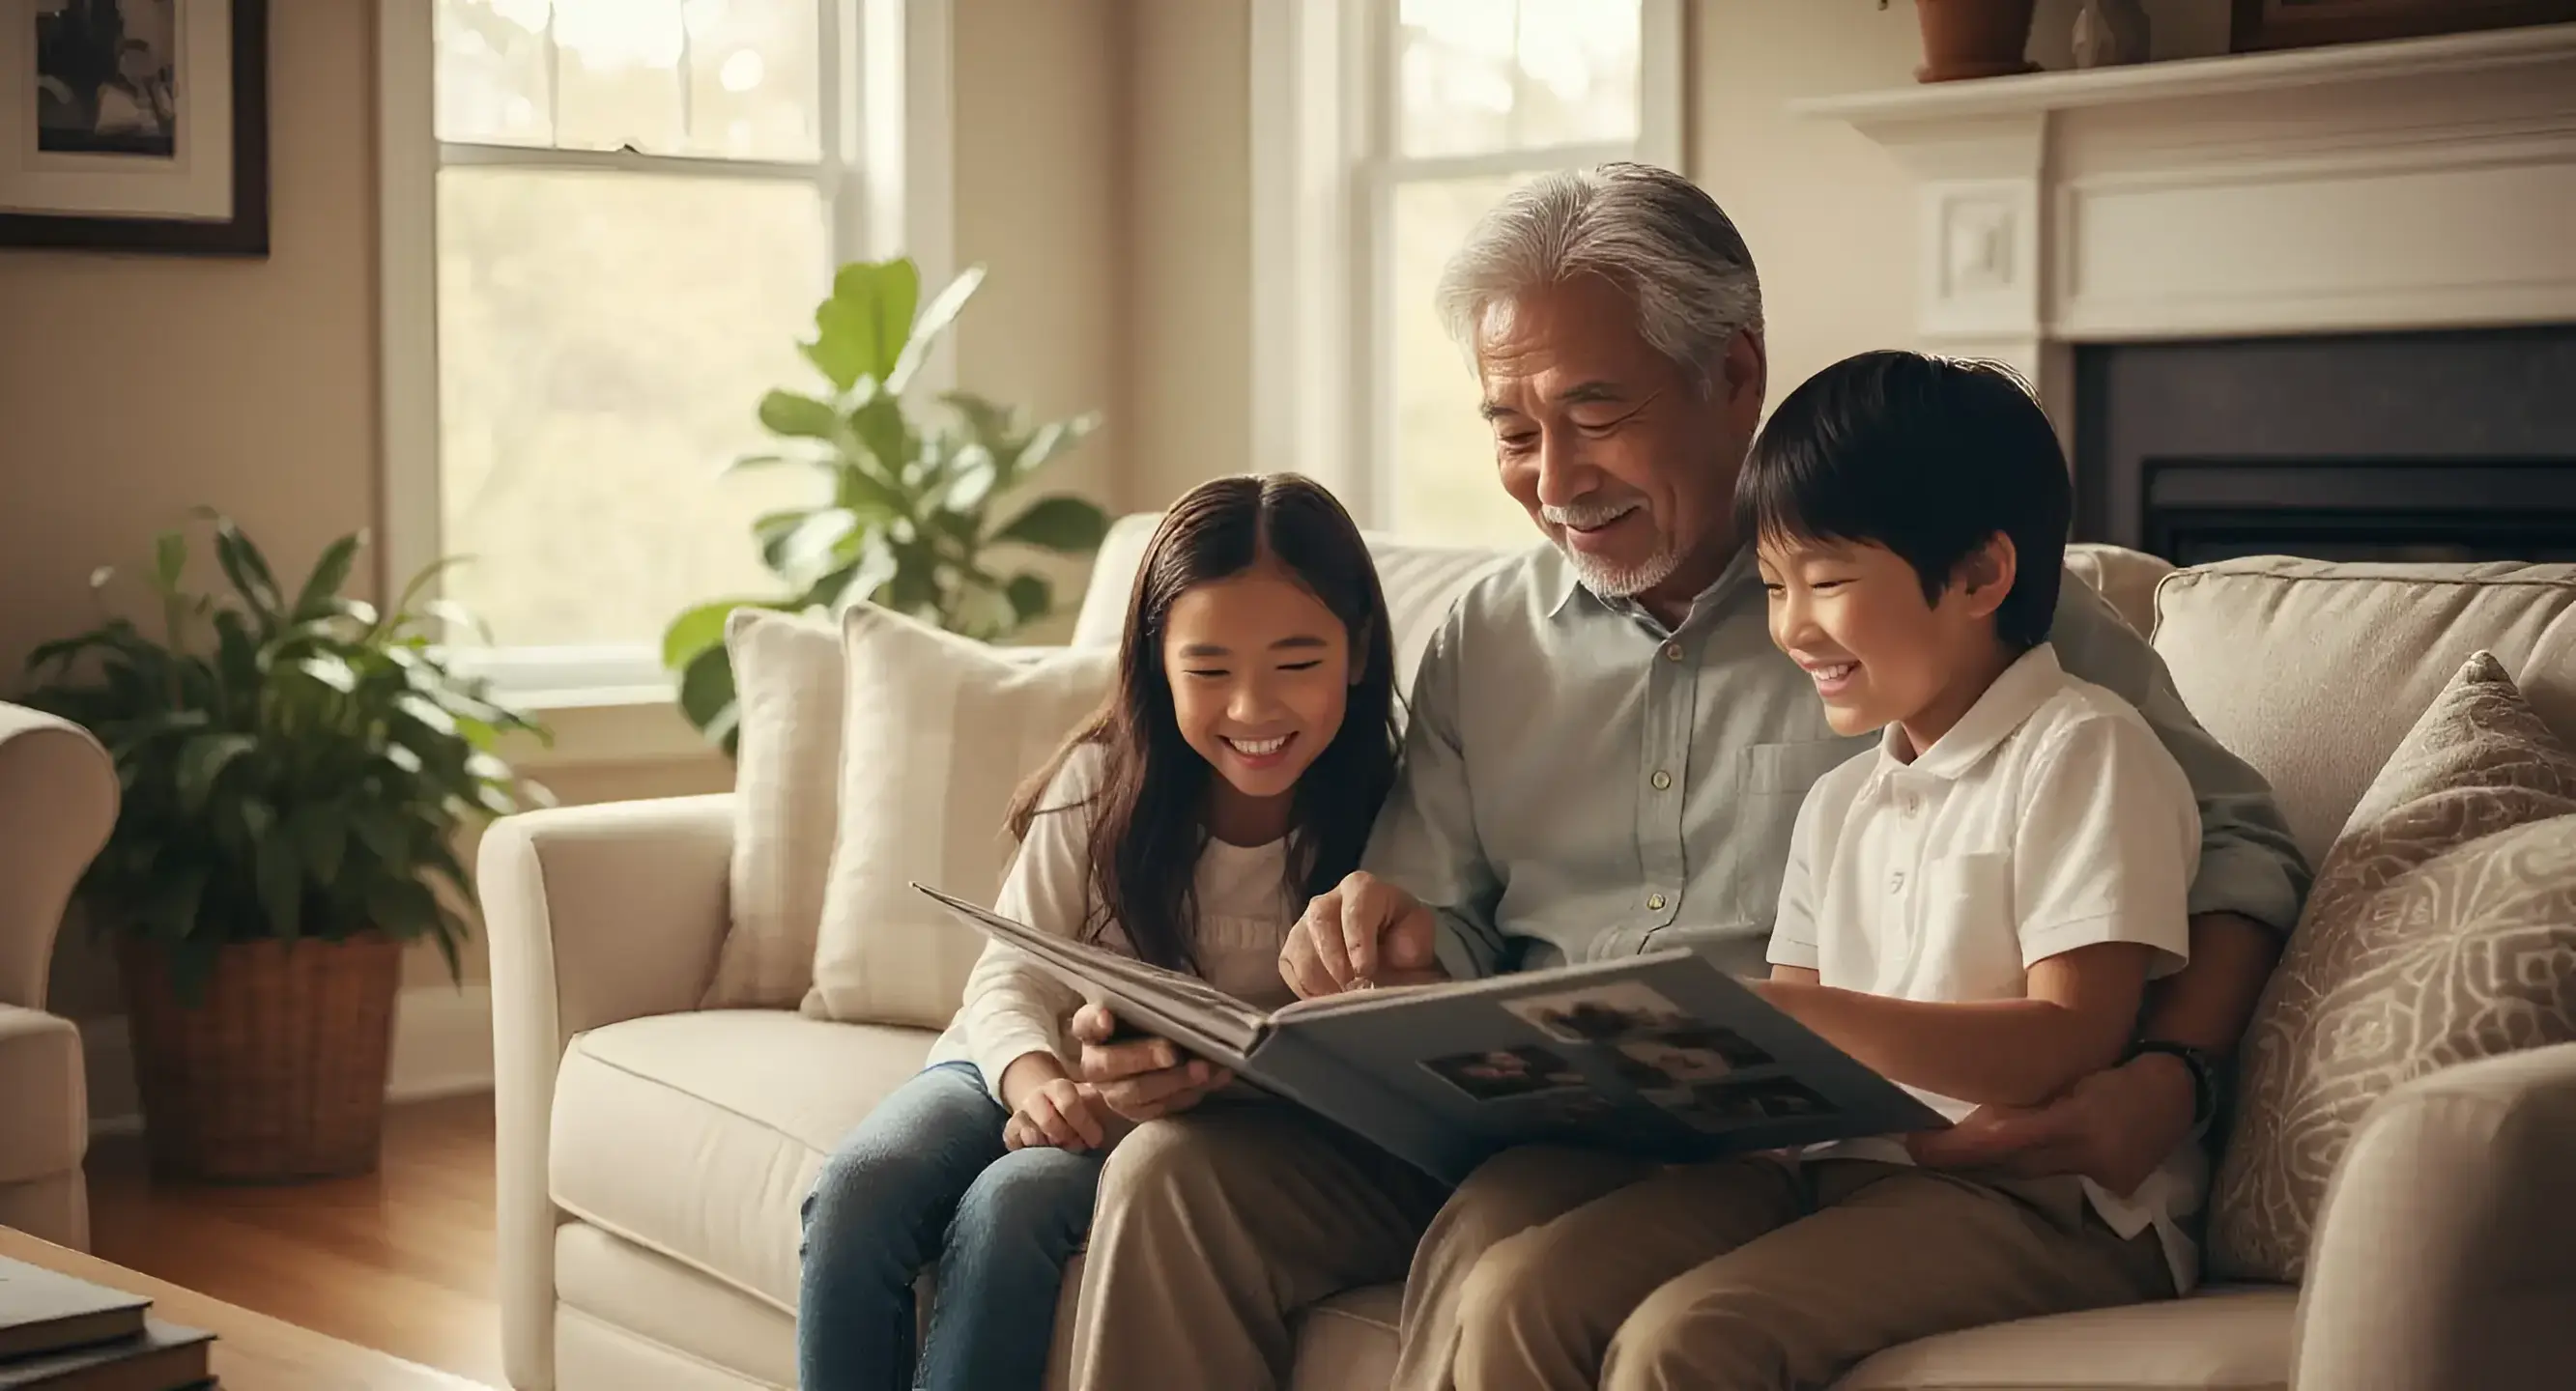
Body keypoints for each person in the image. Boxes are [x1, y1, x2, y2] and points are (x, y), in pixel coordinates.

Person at [1065, 163, 2311, 1391]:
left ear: (1732, 376)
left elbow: (2241, 848)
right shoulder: (1484, 640)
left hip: (1757, 1146)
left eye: (1593, 416)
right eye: (1511, 430)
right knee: (1171, 1180)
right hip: (1524, 1109)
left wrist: (2172, 1079)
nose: (1553, 482)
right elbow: (1434, 921)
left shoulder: (1952, 606)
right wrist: (1374, 942)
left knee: (1515, 1250)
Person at [1402, 348, 2206, 1389]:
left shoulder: (2082, 751)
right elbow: (1795, 1060)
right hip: (1839, 1171)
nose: (1790, 629)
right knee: (1521, 1292)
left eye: (1823, 584)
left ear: (1976, 575)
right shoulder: (1841, 802)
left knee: (1683, 1341)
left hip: (2044, 1205)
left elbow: (2068, 1043)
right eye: (1775, 588)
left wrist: (1806, 1018)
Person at [793, 472, 1400, 1390]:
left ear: (1356, 652)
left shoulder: (1390, 818)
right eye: (1208, 670)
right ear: (1158, 658)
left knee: (1016, 1203)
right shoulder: (1102, 780)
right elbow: (1010, 976)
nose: (1251, 708)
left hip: (1181, 1123)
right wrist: (1035, 1081)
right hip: (1015, 1065)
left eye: (1296, 663)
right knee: (859, 1189)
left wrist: (1176, 1097)